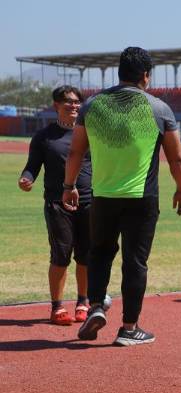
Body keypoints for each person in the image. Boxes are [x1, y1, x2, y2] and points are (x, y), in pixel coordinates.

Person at [62, 46, 181, 345]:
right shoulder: (159, 109)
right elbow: (177, 159)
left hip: (103, 196)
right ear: (146, 75)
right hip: (141, 198)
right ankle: (129, 328)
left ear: (119, 71)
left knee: (99, 253)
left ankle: (95, 306)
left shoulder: (92, 106)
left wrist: (69, 186)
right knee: (135, 262)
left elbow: (76, 150)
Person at [18, 86, 92, 325]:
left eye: (77, 102)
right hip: (57, 203)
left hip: (89, 201)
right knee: (61, 255)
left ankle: (84, 302)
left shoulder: (90, 133)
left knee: (86, 255)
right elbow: (32, 165)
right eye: (68, 102)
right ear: (56, 106)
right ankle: (57, 308)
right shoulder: (44, 137)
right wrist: (27, 178)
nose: (73, 106)